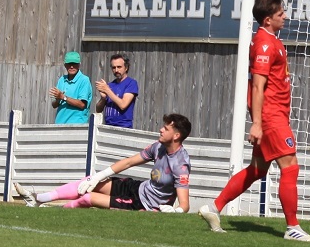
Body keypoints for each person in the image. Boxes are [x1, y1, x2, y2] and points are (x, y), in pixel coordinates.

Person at [198, 0, 310, 242]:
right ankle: (292, 227)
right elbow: (257, 86)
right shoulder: (264, 43)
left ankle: (213, 208)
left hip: (275, 114)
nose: (284, 16)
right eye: (279, 14)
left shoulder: (271, 39)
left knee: (257, 170)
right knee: (290, 166)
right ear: (267, 20)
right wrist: (257, 123)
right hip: (271, 116)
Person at [13, 114, 191, 212]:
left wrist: (175, 211)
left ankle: (51, 212)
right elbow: (129, 162)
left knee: (88, 198)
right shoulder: (158, 146)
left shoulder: (181, 165)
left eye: (166, 128)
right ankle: (38, 199)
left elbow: (184, 205)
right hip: (138, 188)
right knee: (88, 183)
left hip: (144, 204)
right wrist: (99, 176)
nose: (160, 129)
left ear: (176, 136)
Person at [95, 54, 139, 128]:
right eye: (113, 67)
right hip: (108, 126)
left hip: (123, 127)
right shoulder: (110, 85)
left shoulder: (131, 83)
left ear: (126, 68)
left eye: (119, 67)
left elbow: (123, 105)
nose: (116, 70)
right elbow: (98, 110)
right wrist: (103, 98)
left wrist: (107, 90)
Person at [50, 51, 93, 124]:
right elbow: (54, 105)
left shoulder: (84, 80)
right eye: (69, 64)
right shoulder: (62, 80)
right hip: (60, 124)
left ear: (79, 64)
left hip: (77, 125)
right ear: (65, 65)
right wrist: (57, 99)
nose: (72, 66)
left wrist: (63, 97)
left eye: (74, 64)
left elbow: (82, 105)